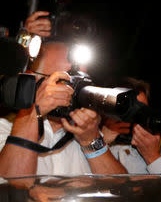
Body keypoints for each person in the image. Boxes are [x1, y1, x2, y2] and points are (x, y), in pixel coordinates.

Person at [0, 38, 127, 177]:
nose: (75, 89)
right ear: (32, 81)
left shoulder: (85, 134)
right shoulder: (4, 129)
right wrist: (33, 112)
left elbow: (120, 190)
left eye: (82, 81)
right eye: (67, 79)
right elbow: (12, 186)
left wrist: (91, 141)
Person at [101, 77, 161, 174]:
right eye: (129, 109)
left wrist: (153, 157)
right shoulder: (90, 139)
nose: (136, 115)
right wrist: (99, 142)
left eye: (142, 109)